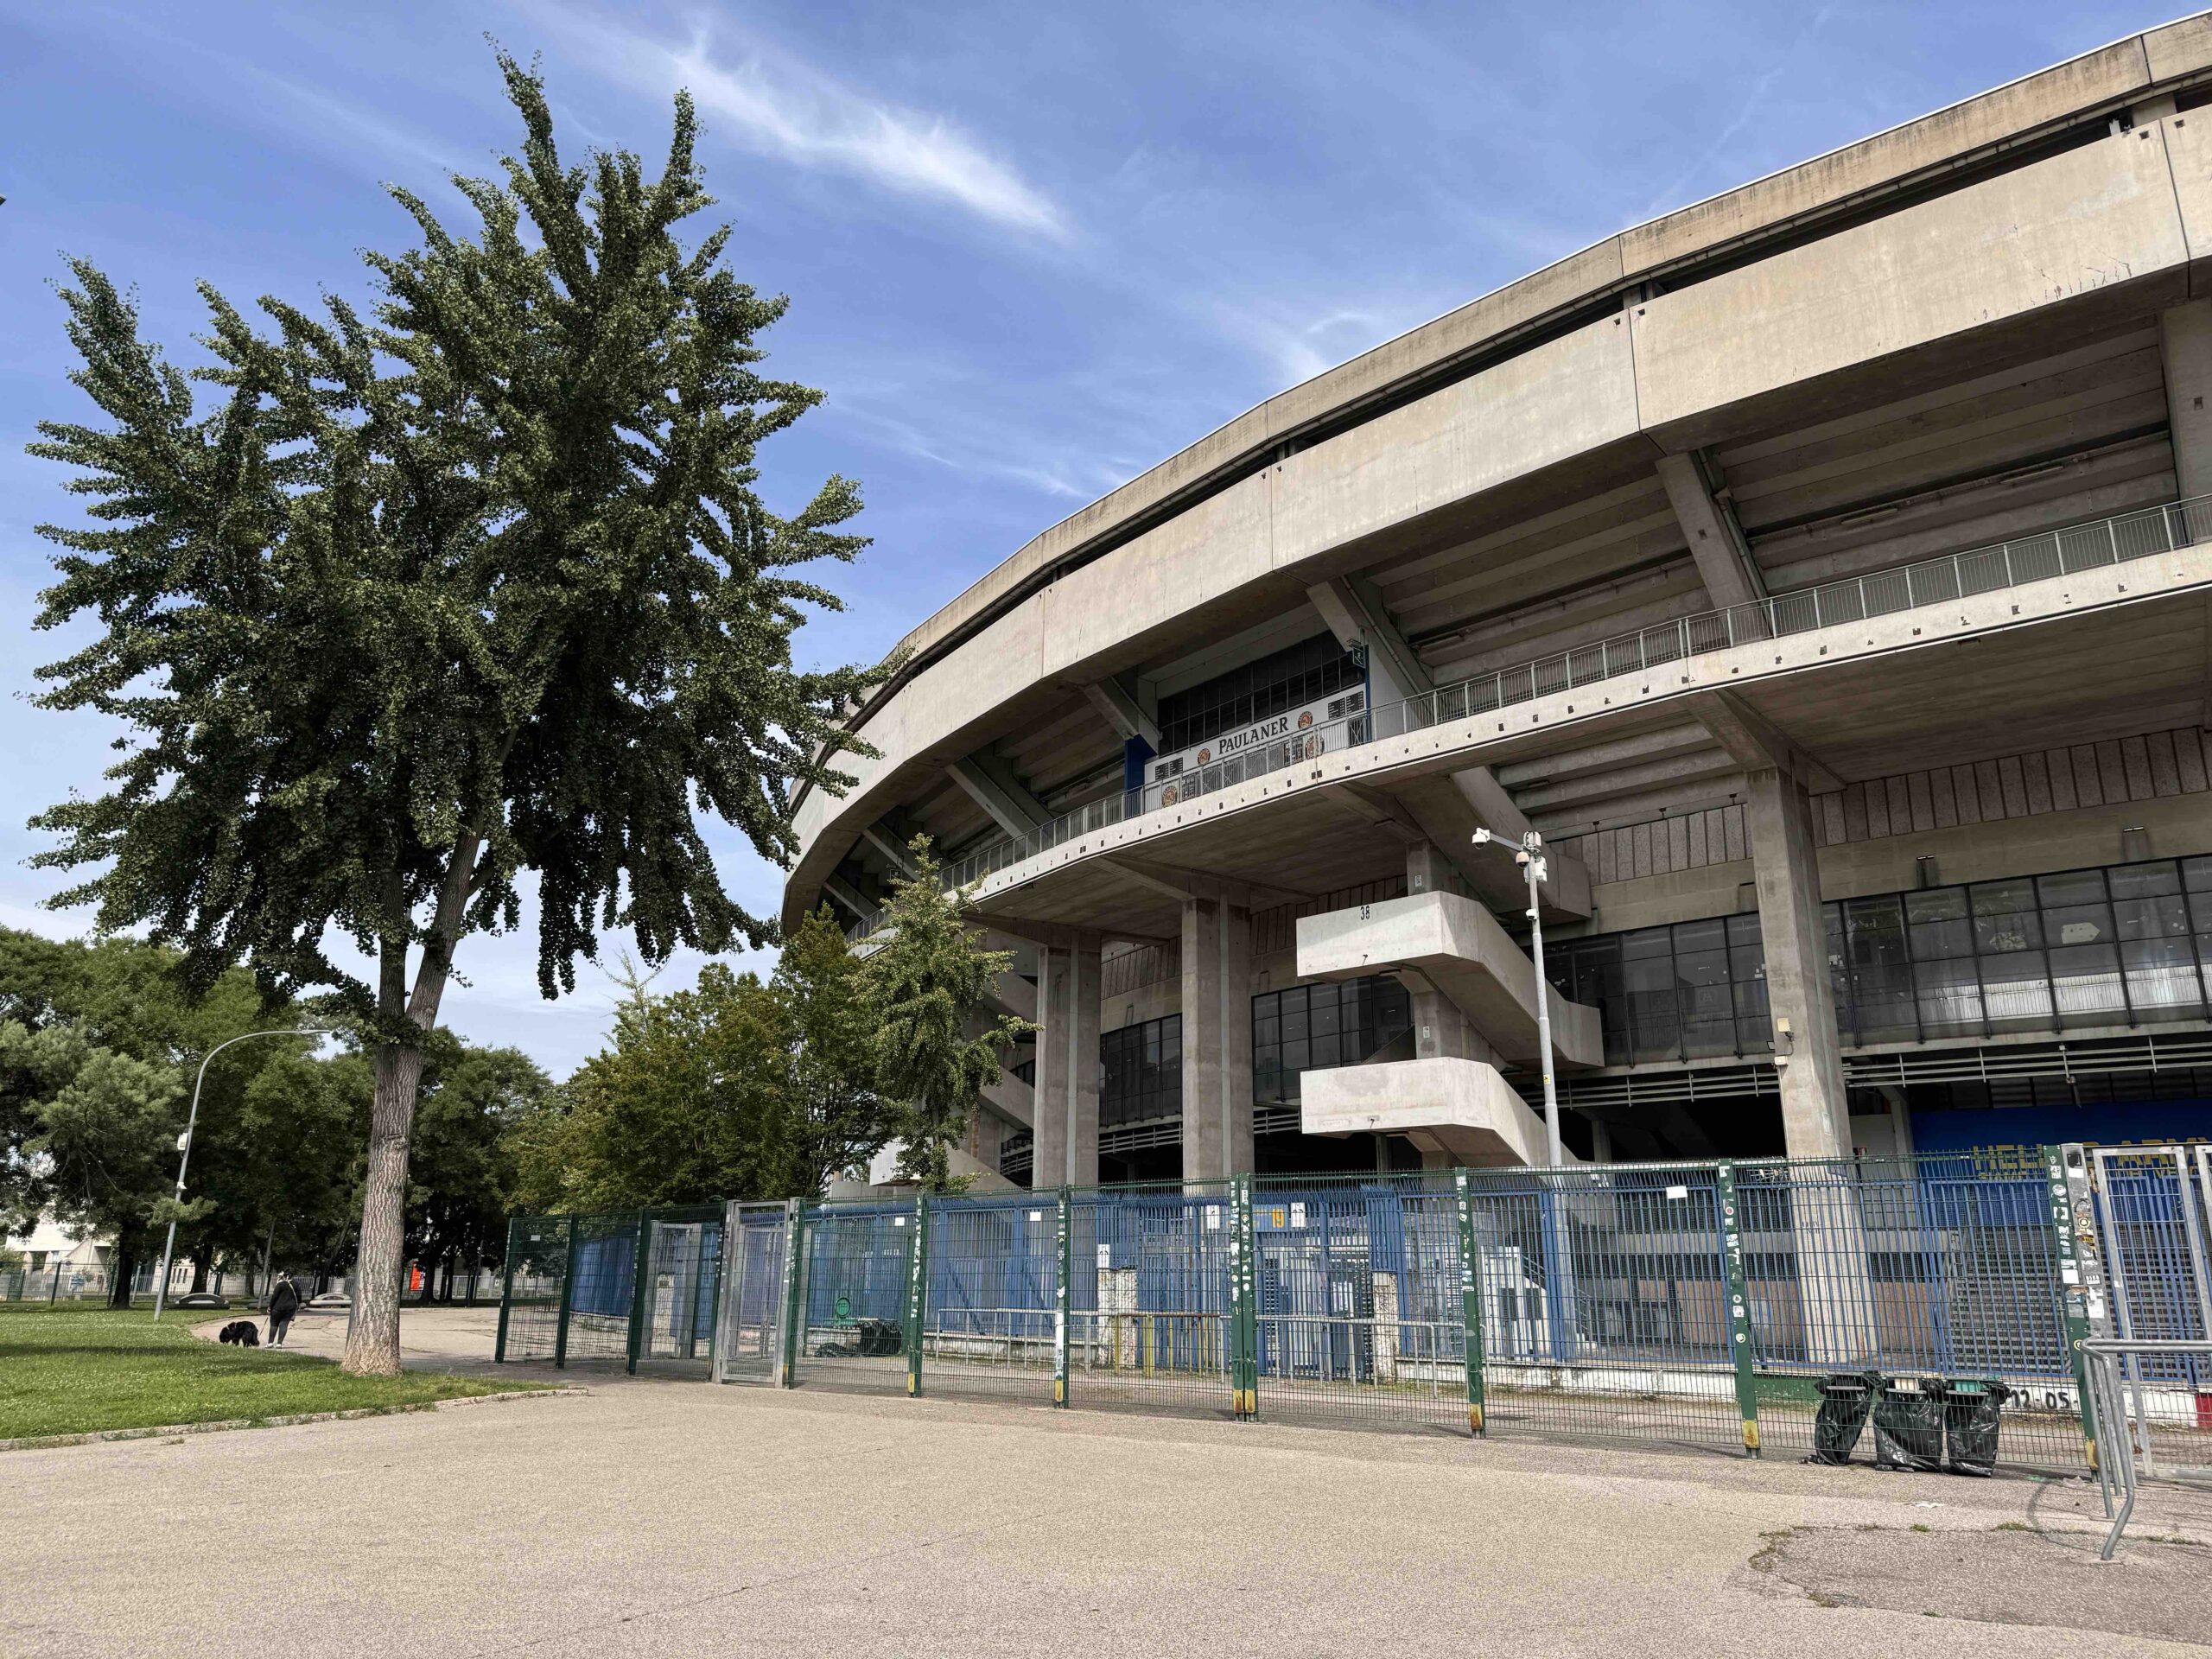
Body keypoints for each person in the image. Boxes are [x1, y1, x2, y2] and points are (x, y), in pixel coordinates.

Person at [266, 1270, 302, 1348]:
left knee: (274, 1324)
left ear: (284, 1276)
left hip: (277, 1308)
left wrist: (270, 1307)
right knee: (284, 1325)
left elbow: (274, 1297)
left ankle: (270, 1343)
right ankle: (279, 1344)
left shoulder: (280, 1285)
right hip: (290, 1308)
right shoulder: (296, 1284)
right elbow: (299, 1297)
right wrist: (298, 1306)